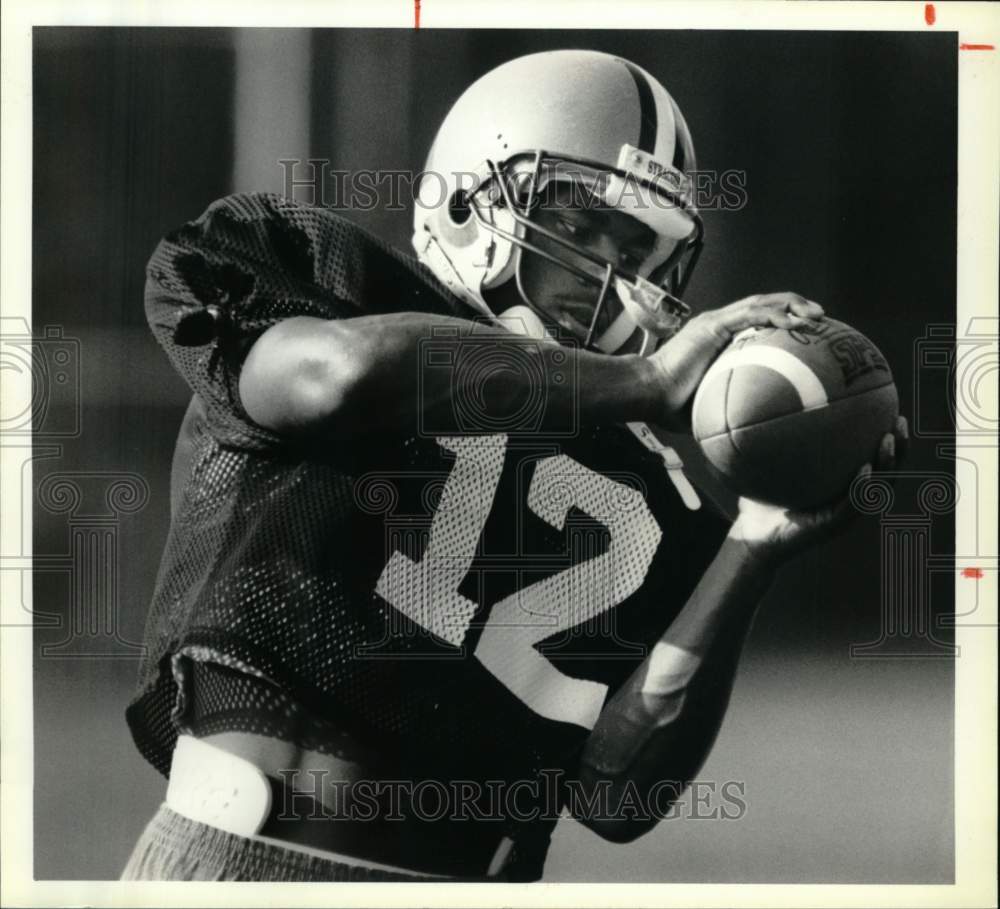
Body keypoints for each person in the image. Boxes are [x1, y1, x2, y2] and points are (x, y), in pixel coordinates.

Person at [122, 49, 905, 883]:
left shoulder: (658, 482)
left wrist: (753, 547)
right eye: (578, 226)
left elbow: (617, 797)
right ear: (466, 200)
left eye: (635, 246)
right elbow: (335, 377)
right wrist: (644, 382)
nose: (611, 272)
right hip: (253, 859)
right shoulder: (326, 280)